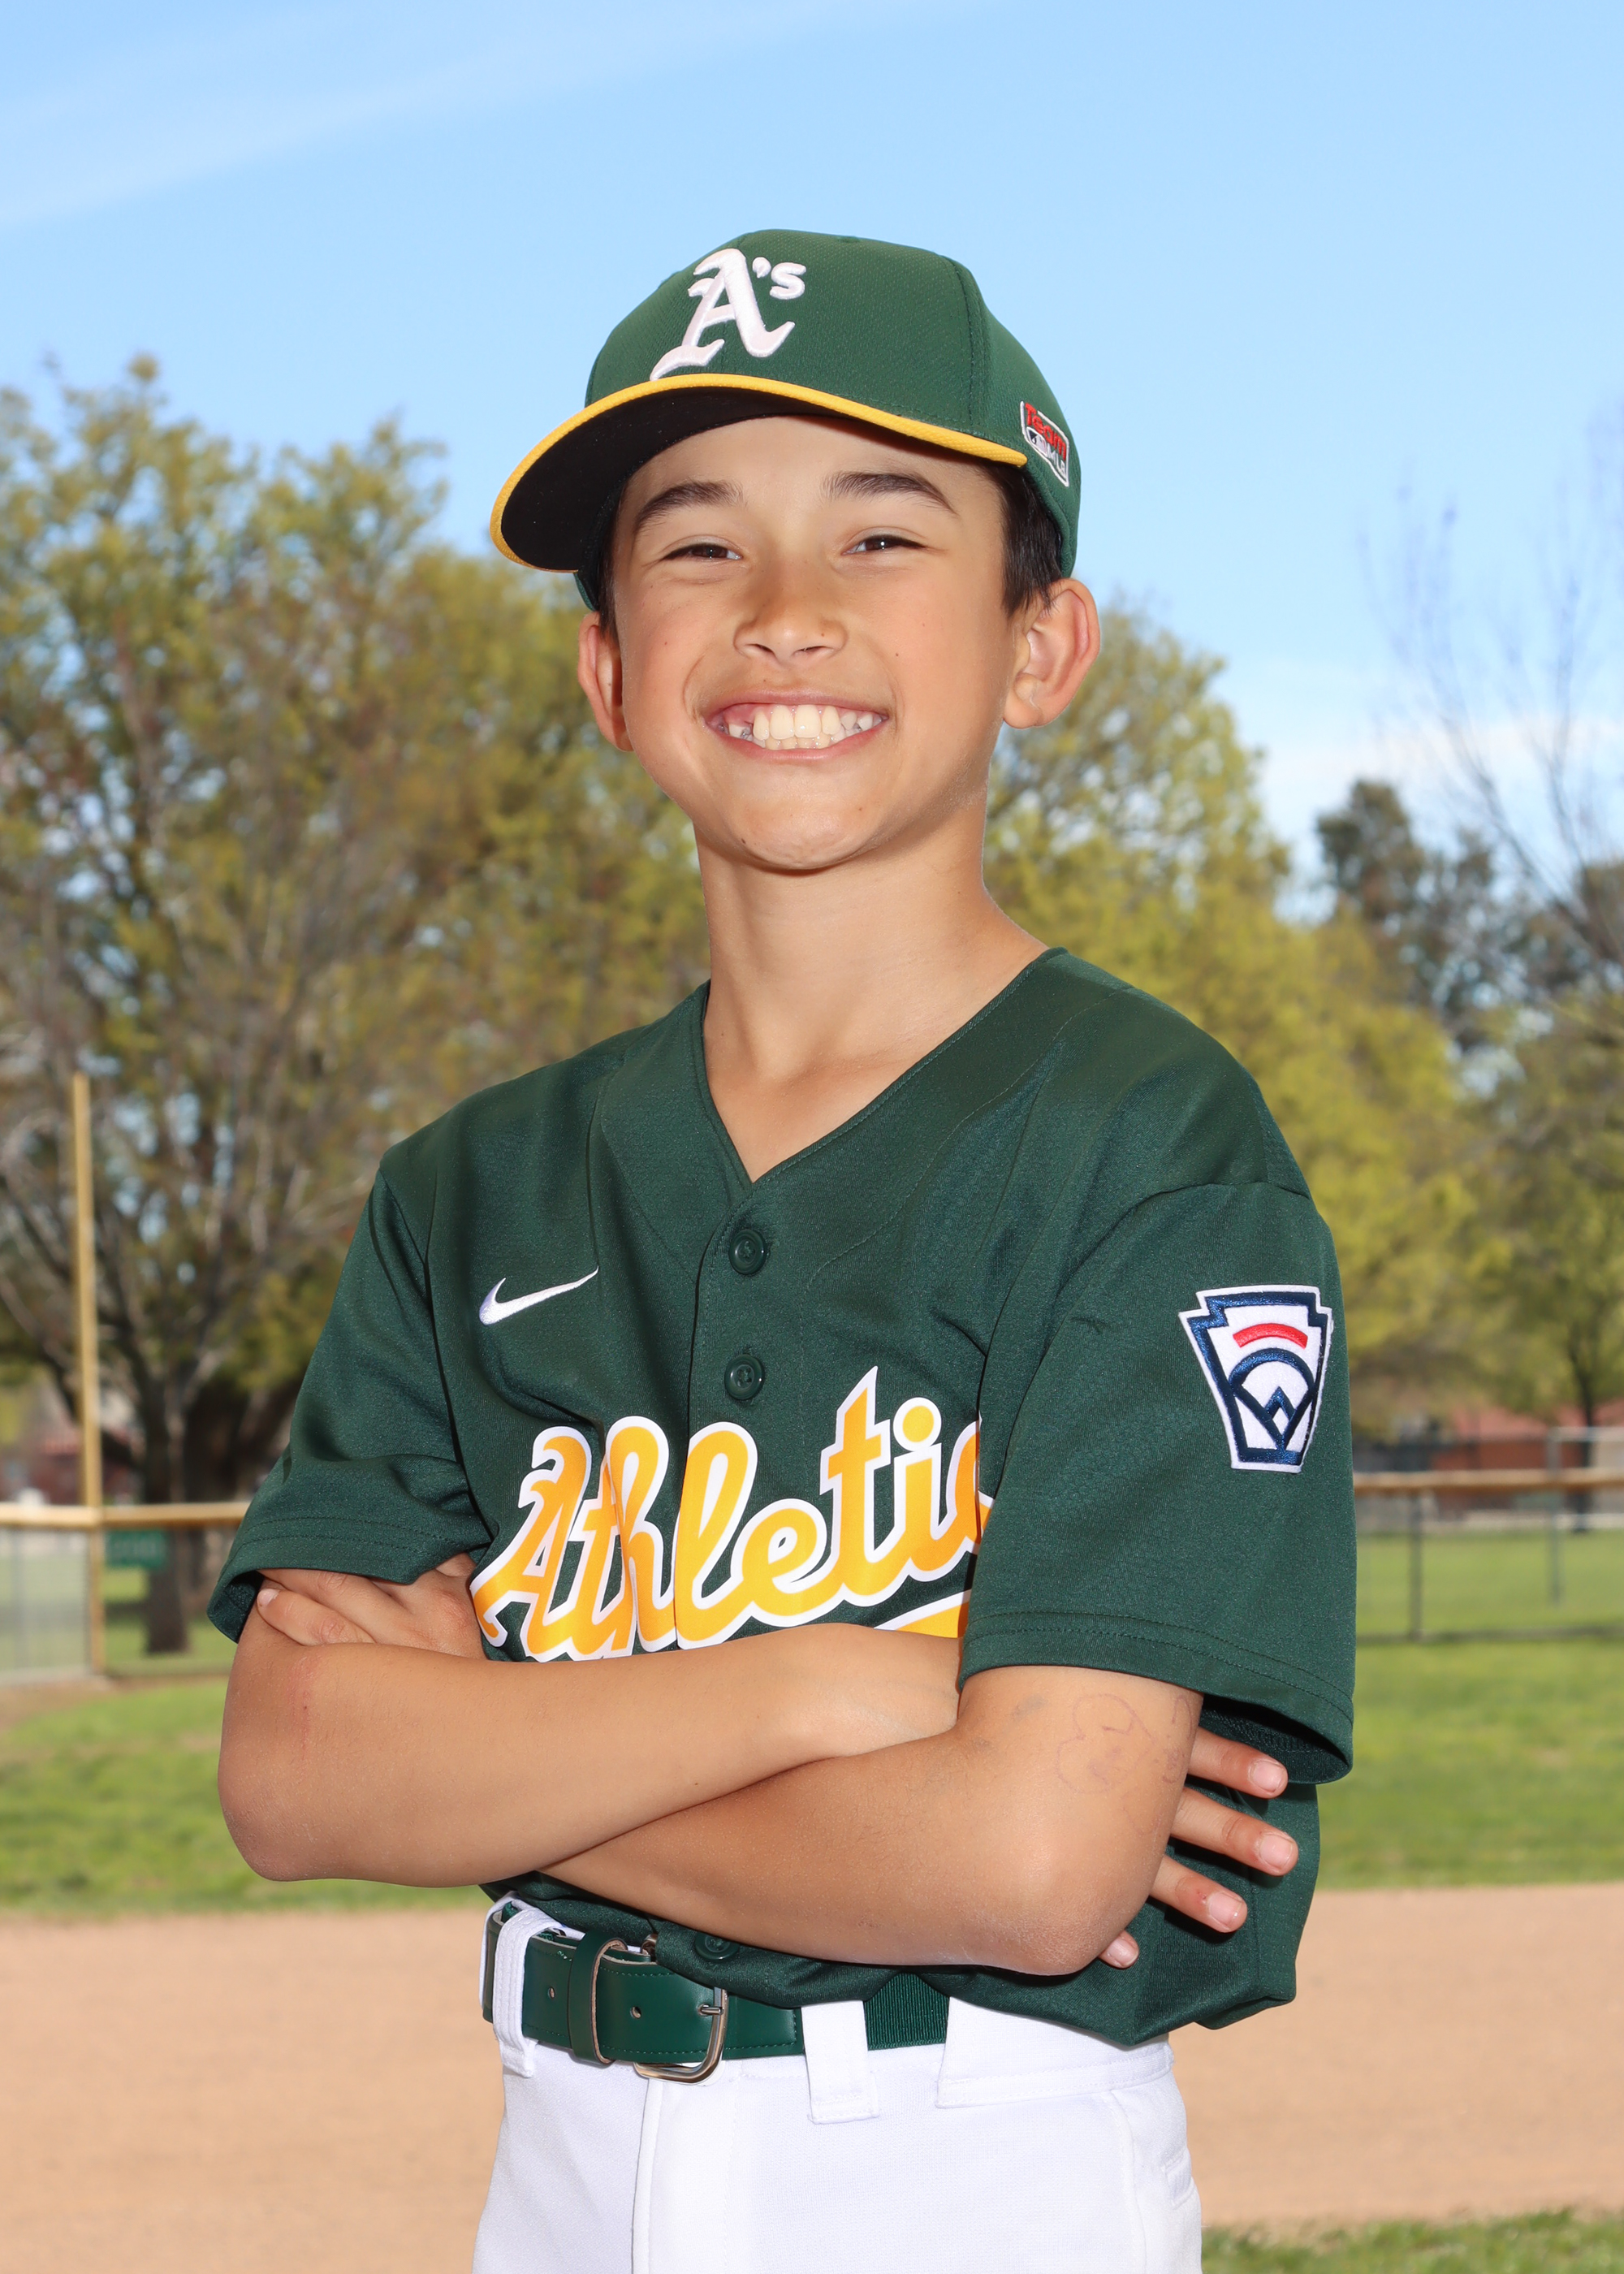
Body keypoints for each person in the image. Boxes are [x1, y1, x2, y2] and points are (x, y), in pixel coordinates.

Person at [212, 230, 1354, 2273]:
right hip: (559, 2165)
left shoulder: (1149, 1140)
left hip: (971, 2161)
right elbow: (292, 1776)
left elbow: (1026, 1859)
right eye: (698, 545)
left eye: (884, 533)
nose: (786, 610)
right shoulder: (468, 1185)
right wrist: (839, 1685)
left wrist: (489, 1746)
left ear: (1040, 645)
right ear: (606, 668)